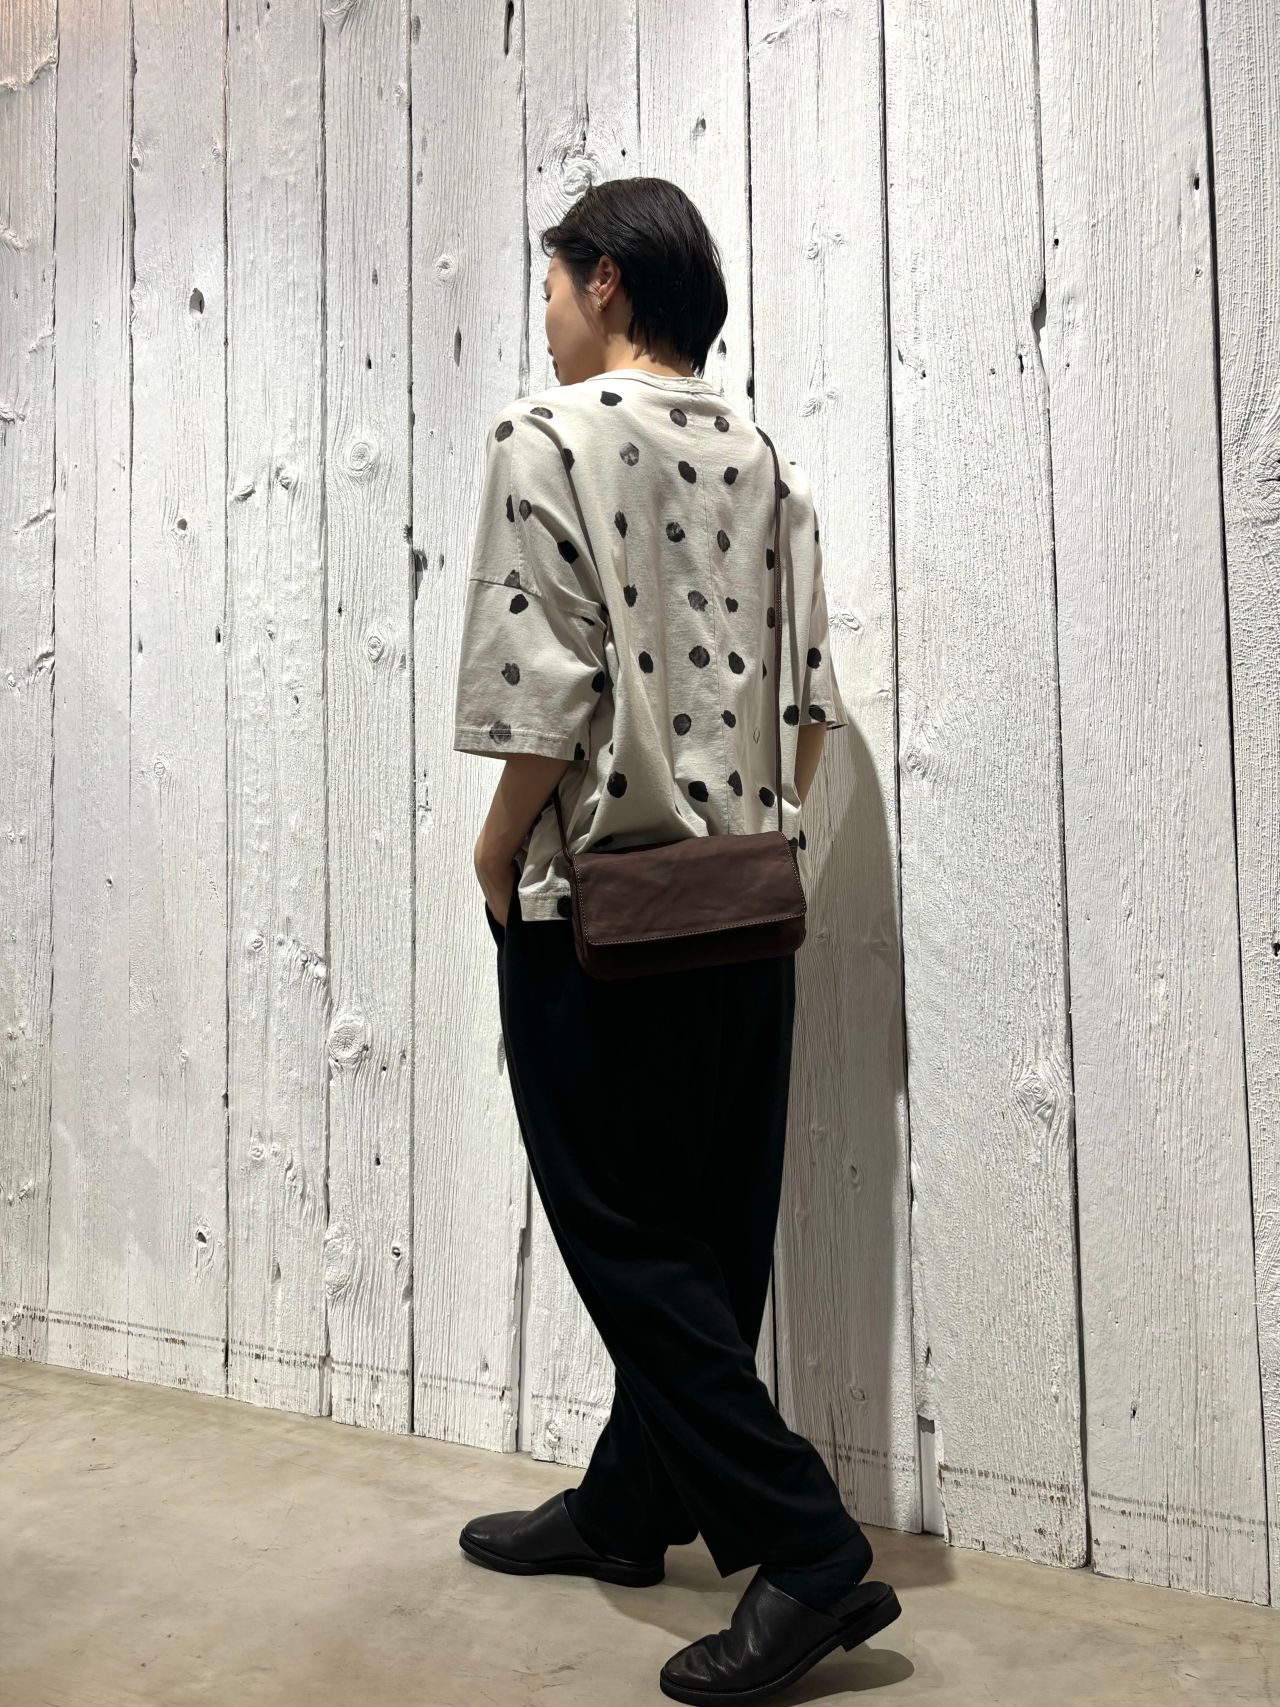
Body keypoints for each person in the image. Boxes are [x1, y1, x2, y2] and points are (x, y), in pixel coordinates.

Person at [450, 177, 900, 1702]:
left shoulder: (546, 436)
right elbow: (812, 710)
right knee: (706, 1233)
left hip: (598, 909)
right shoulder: (764, 458)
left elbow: (546, 690)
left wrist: (497, 852)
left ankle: (810, 1550)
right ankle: (632, 1503)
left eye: (553, 287)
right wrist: (749, 833)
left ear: (605, 284)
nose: (547, 319)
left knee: (623, 1238)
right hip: (745, 902)